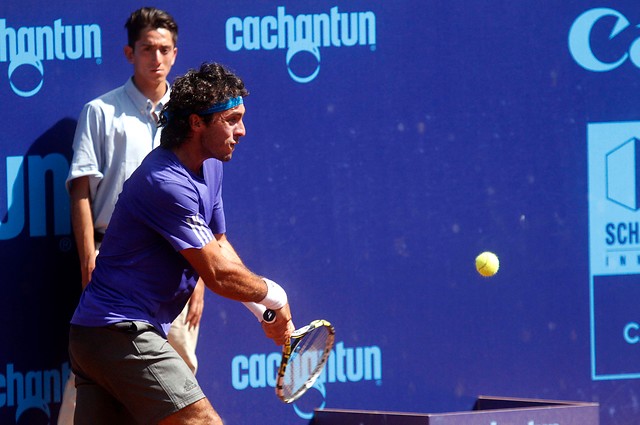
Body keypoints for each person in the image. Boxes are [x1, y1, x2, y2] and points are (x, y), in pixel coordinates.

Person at [68, 62, 295, 425]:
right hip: (119, 331)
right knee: (202, 422)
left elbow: (218, 244)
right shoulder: (164, 181)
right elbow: (218, 274)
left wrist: (261, 311)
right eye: (232, 119)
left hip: (96, 337)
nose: (243, 130)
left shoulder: (211, 165)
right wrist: (275, 296)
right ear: (196, 123)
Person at [60, 7, 204, 424]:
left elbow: (202, 197)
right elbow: (81, 191)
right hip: (115, 263)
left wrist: (202, 274)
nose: (155, 58)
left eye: (163, 49)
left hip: (180, 261)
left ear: (175, 54)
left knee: (177, 380)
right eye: (146, 49)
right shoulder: (100, 113)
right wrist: (89, 257)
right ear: (129, 52)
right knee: (97, 372)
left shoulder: (193, 119)